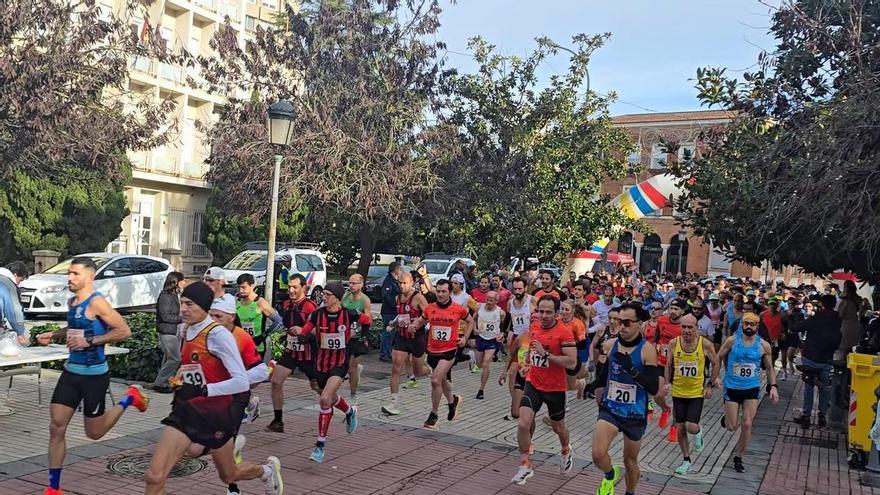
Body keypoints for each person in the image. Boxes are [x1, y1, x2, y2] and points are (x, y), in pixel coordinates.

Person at [143, 282, 282, 495]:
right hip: (185, 412)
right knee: (154, 476)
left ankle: (266, 471)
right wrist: (179, 378)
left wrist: (203, 390)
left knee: (228, 475)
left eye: (189, 304)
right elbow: (193, 364)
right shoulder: (186, 329)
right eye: (182, 304)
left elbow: (241, 382)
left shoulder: (218, 335)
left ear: (204, 306)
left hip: (215, 416)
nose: (183, 309)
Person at [35, 258, 149, 495]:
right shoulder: (72, 301)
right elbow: (75, 329)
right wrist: (53, 334)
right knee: (56, 427)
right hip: (71, 372)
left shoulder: (97, 303)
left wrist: (90, 341)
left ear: (90, 277)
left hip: (94, 376)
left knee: (94, 433)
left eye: (75, 274)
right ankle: (53, 488)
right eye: (69, 273)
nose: (70, 278)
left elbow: (123, 330)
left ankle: (129, 397)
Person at [288, 282, 372, 463]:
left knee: (325, 398)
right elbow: (306, 332)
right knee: (328, 397)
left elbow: (367, 320)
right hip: (321, 363)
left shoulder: (348, 314)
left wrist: (363, 337)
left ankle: (320, 445)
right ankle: (349, 411)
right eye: (323, 294)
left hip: (340, 363)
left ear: (337, 297)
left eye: (328, 295)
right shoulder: (317, 315)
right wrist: (300, 335)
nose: (324, 298)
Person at [591, 303, 661, 495]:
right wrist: (595, 387)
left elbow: (653, 387)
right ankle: (609, 474)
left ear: (639, 324)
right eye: (619, 321)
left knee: (629, 462)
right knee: (598, 454)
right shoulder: (611, 344)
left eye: (627, 322)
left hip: (635, 413)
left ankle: (630, 492)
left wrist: (633, 370)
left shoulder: (647, 350)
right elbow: (604, 373)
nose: (621, 326)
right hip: (611, 409)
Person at [207, 295, 273, 495]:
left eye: (218, 316)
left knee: (223, 451)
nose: (213, 320)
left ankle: (234, 488)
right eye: (210, 316)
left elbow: (261, 371)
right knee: (199, 449)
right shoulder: (206, 334)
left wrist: (237, 378)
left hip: (236, 398)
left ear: (231, 317)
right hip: (213, 399)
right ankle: (262, 470)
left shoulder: (242, 337)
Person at [510, 296, 578, 485]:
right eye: (541, 311)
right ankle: (525, 466)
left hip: (555, 388)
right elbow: (531, 352)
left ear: (557, 313)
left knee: (558, 427)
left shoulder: (564, 333)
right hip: (533, 384)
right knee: (523, 424)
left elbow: (571, 362)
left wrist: (546, 354)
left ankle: (565, 449)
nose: (544, 315)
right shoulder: (534, 329)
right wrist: (526, 365)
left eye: (549, 312)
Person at [718, 311, 779, 473]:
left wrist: (773, 386)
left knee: (747, 423)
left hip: (751, 388)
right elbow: (717, 357)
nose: (749, 327)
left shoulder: (763, 345)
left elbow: (770, 368)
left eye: (752, 324)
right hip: (732, 387)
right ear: (742, 324)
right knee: (732, 427)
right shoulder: (731, 341)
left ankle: (739, 457)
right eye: (746, 323)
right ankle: (728, 417)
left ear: (757, 327)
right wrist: (715, 377)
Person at [663, 314, 720, 475]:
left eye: (690, 327)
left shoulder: (705, 344)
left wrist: (710, 385)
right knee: (680, 428)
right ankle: (686, 460)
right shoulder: (674, 343)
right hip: (678, 392)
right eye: (684, 327)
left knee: (690, 426)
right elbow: (668, 365)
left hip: (696, 392)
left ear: (697, 328)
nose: (687, 330)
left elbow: (716, 364)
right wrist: (667, 383)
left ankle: (699, 431)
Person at [414, 279, 472, 429]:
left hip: (449, 351)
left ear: (450, 292)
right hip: (433, 350)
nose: (440, 294)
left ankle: (433, 414)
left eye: (443, 291)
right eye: (438, 291)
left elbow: (471, 321)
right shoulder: (430, 308)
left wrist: (465, 337)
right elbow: (421, 320)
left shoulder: (458, 309)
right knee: (442, 381)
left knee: (435, 380)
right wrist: (414, 325)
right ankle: (453, 401)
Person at [268, 274, 320, 433]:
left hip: (309, 353)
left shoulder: (310, 306)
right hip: (291, 351)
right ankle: (278, 421)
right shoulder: (286, 304)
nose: (291, 290)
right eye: (289, 286)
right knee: (276, 381)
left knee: (317, 387)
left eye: (295, 287)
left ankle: (343, 407)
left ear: (303, 288)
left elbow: (321, 330)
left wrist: (304, 331)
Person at [381, 272, 431, 416]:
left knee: (418, 372)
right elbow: (401, 315)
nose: (402, 286)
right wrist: (394, 323)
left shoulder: (418, 297)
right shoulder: (398, 298)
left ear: (412, 283)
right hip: (402, 338)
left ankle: (431, 370)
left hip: (417, 338)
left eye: (405, 283)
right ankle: (394, 403)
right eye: (400, 283)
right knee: (396, 367)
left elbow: (429, 314)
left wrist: (417, 323)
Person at [793, 294, 842, 428]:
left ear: (822, 304)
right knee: (824, 387)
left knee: (809, 386)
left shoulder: (817, 317)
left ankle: (807, 416)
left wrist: (793, 322)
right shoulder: (838, 320)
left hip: (810, 356)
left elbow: (798, 328)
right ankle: (822, 416)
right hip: (827, 358)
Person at [236, 273, 283, 360]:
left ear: (252, 286)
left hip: (257, 348)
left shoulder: (260, 303)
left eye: (243, 287)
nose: (240, 290)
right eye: (238, 287)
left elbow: (278, 321)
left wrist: (263, 336)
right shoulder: (236, 302)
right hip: (240, 346)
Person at [654, 300, 685, 428]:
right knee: (657, 394)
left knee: (677, 398)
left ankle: (675, 425)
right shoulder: (661, 320)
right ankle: (665, 408)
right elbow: (657, 337)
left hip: (678, 366)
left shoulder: (685, 326)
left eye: (676, 309)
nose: (673, 311)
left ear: (682, 311)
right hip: (661, 362)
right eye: (671, 308)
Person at [153, 271, 185, 393]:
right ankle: (160, 382)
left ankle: (164, 382)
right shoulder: (165, 296)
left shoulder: (174, 294)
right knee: (175, 359)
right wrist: (181, 319)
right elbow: (165, 316)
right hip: (167, 331)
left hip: (173, 330)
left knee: (168, 358)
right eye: (182, 280)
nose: (184, 282)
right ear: (176, 281)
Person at [342, 273, 372, 404]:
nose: (351, 286)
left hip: (357, 336)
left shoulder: (365, 300)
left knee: (352, 368)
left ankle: (353, 395)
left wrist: (360, 331)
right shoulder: (346, 296)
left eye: (354, 283)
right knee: (344, 365)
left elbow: (368, 320)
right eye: (350, 283)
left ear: (361, 284)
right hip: (344, 335)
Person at [474, 291, 506, 399]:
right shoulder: (479, 307)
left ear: (496, 301)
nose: (488, 302)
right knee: (478, 364)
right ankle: (471, 358)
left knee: (486, 363)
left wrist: (502, 334)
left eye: (491, 300)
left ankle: (481, 389)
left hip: (492, 340)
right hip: (481, 338)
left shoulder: (500, 312)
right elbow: (473, 319)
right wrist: (475, 329)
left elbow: (503, 325)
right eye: (487, 299)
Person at [379, 262, 402, 362]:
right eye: (400, 269)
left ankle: (388, 352)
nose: (401, 271)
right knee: (387, 332)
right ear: (396, 269)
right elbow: (386, 295)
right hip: (389, 311)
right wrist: (395, 305)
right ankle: (384, 353)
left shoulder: (395, 281)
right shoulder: (389, 281)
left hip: (393, 311)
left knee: (391, 333)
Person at [837, 279, 862, 357]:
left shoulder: (845, 301)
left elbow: (840, 314)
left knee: (841, 350)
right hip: (855, 324)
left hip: (845, 326)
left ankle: (840, 367)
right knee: (850, 350)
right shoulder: (858, 299)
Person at [759, 298, 784, 371]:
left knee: (773, 358)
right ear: (768, 305)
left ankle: (770, 380)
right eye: (771, 304)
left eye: (774, 304)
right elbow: (758, 326)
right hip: (764, 339)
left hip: (775, 340)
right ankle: (763, 364)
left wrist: (783, 333)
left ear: (777, 305)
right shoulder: (762, 314)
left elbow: (784, 327)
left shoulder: (781, 316)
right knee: (763, 359)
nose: (772, 306)